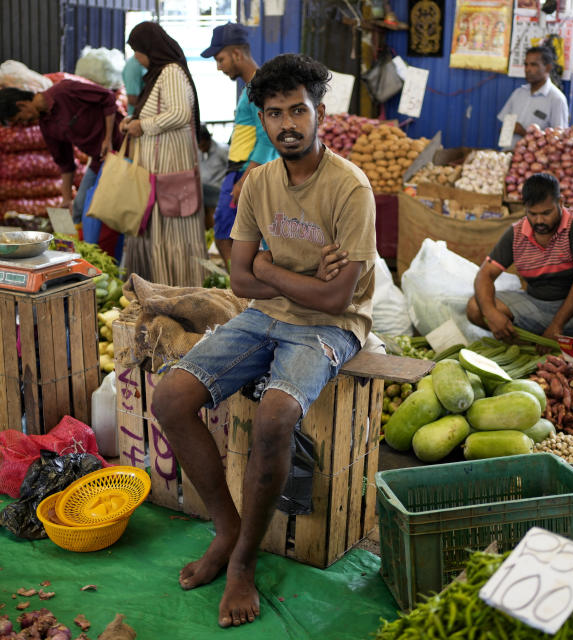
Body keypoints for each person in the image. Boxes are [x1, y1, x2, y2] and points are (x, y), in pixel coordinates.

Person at [149, 53, 376, 628]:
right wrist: (283, 276)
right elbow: (240, 277)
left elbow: (334, 299)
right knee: (170, 400)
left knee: (277, 416)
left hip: (332, 327)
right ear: (262, 119)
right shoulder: (259, 182)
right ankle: (228, 531)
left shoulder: (351, 189)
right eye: (274, 113)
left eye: (298, 110)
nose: (287, 124)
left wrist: (270, 268)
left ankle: (243, 562)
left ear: (319, 112)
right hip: (263, 314)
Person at [466, 173, 573, 359]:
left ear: (561, 203)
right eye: (532, 214)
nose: (539, 221)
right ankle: (531, 351)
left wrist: (557, 325)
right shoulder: (516, 233)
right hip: (535, 307)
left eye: (546, 213)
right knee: (475, 307)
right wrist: (491, 313)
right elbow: (484, 275)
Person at [120, 22, 207, 287]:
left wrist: (141, 125)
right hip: (157, 170)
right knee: (156, 230)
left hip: (170, 169)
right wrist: (131, 122)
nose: (136, 56)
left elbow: (179, 113)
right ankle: (155, 290)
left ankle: (175, 293)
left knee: (170, 233)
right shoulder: (157, 75)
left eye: (137, 50)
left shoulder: (170, 72)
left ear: (151, 48)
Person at [0, 79, 123, 255]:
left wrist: (108, 138)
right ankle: (82, 256)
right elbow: (65, 162)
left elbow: (107, 98)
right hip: (100, 160)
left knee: (108, 210)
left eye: (19, 119)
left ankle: (110, 253)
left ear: (22, 105)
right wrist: (66, 199)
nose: (24, 123)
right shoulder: (46, 125)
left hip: (123, 150)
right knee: (77, 208)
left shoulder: (65, 91)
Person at [201, 22, 279, 268]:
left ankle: (243, 290)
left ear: (236, 54)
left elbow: (267, 136)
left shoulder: (259, 88)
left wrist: (246, 177)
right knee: (231, 232)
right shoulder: (250, 88)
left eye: (220, 58)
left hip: (245, 170)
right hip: (240, 169)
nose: (219, 66)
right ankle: (244, 288)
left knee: (227, 233)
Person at [497, 46, 568, 149]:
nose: (528, 69)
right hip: (508, 155)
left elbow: (559, 142)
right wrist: (506, 130)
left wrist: (524, 133)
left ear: (547, 68)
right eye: (526, 65)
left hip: (535, 162)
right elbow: (505, 132)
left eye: (534, 65)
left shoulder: (556, 99)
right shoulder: (518, 94)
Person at [197, 124, 228, 228]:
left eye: (203, 146)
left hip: (218, 189)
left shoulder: (222, 150)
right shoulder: (198, 151)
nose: (201, 149)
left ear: (208, 139)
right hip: (204, 188)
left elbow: (232, 170)